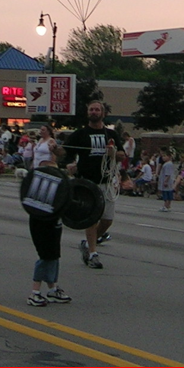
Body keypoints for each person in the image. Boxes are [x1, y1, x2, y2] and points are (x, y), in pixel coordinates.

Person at [61, 100, 123, 269]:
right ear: (87, 113)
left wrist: (113, 153)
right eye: (91, 109)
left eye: (97, 110)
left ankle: (88, 244)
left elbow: (122, 156)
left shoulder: (111, 134)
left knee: (107, 220)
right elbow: (65, 151)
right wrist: (56, 151)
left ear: (103, 113)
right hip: (87, 184)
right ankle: (93, 254)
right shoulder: (80, 134)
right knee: (92, 218)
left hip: (106, 182)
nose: (94, 112)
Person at [26, 142, 72, 307]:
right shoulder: (38, 188)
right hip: (41, 223)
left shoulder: (60, 185)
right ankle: (35, 292)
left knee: (54, 255)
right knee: (45, 255)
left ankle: (52, 289)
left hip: (55, 223)